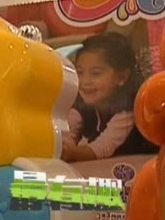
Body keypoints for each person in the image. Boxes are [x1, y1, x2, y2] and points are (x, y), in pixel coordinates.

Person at [61, 32, 155, 162]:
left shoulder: (128, 109)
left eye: (96, 73)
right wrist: (65, 145)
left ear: (122, 78)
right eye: (80, 72)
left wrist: (72, 154)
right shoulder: (80, 101)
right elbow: (68, 130)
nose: (85, 81)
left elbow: (102, 147)